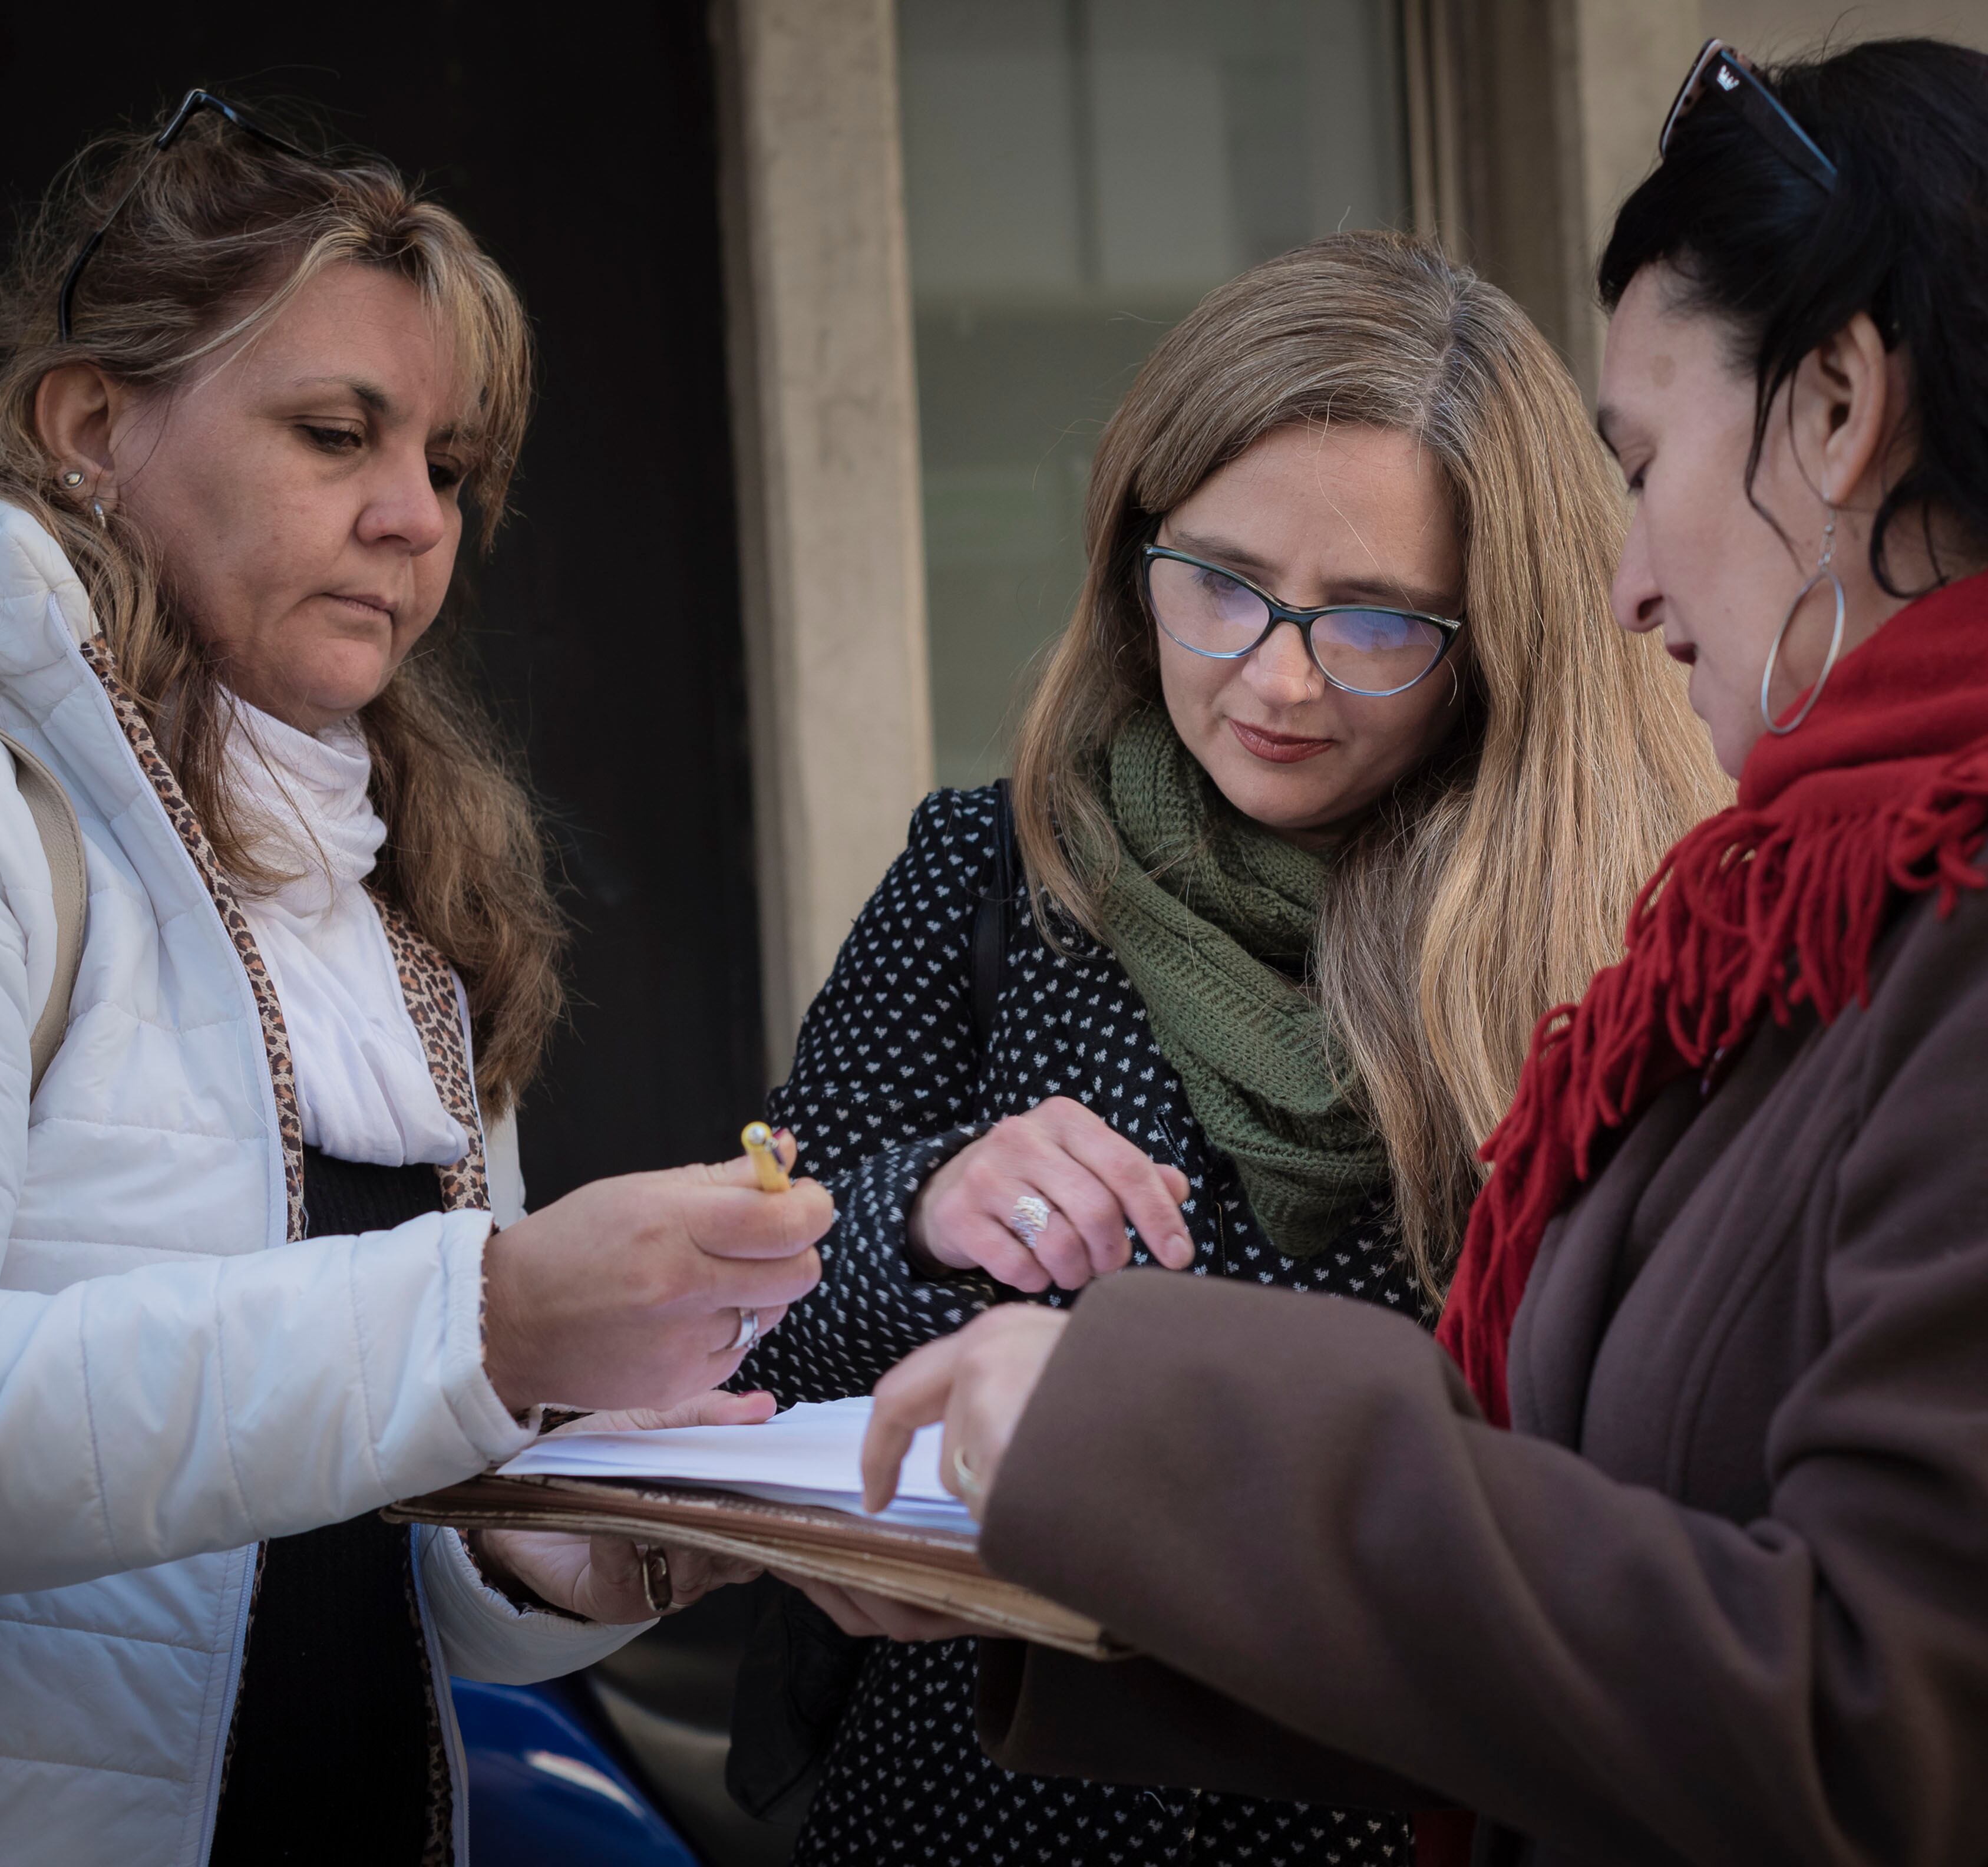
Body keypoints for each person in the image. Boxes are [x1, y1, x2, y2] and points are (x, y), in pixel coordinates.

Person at [831, 38, 1988, 1867]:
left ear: (1835, 407)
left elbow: (1864, 1719)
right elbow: (1608, 1593)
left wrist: (1153, 1445)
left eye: (1644, 459)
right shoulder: (1879, 876)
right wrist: (1086, 1541)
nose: (1628, 587)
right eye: (1220, 583)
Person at [0, 94, 829, 1866]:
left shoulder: (398, 904)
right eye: (335, 433)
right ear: (92, 426)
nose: (414, 521)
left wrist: (559, 1547)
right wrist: (485, 1318)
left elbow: (339, 1585)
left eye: (450, 468)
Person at [732, 229, 1722, 1865]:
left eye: (1374, 620)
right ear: (1134, 543)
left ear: (1504, 631)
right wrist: (920, 1207)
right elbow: (737, 1340)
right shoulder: (993, 877)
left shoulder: (1618, 943)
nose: (1276, 679)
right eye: (1220, 584)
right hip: (978, 1811)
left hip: (1386, 1817)